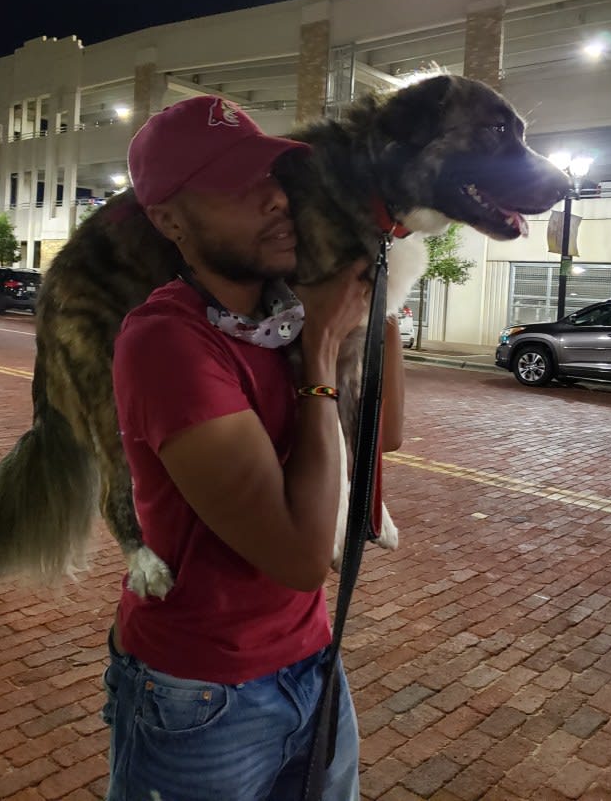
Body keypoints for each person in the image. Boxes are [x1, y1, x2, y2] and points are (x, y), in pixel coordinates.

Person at [103, 95, 405, 801]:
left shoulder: (283, 312)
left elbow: (382, 436)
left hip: (311, 662)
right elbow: (300, 557)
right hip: (201, 694)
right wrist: (323, 350)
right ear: (169, 218)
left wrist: (377, 290)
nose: (273, 198)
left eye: (273, 177)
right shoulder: (168, 342)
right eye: (236, 185)